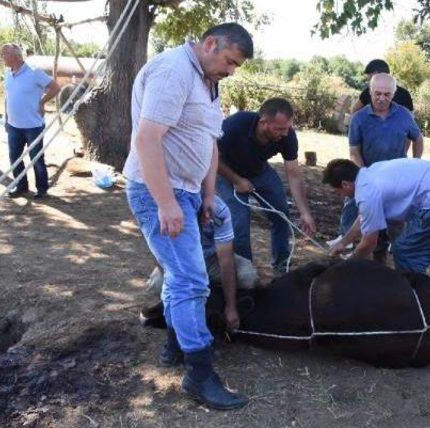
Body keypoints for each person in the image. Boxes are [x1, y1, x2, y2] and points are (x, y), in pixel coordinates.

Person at [123, 23, 253, 410]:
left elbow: (210, 144)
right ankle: (199, 373)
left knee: (179, 273)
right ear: (210, 44)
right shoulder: (173, 71)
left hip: (190, 192)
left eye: (236, 67)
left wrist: (208, 195)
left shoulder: (208, 82)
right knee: (191, 279)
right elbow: (146, 140)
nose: (231, 71)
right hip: (159, 190)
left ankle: (174, 346)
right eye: (229, 61)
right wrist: (166, 203)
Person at [325, 158, 430, 308]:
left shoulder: (366, 192)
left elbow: (369, 244)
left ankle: (417, 312)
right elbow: (364, 217)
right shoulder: (372, 172)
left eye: (337, 192)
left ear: (345, 184)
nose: (340, 196)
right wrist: (343, 242)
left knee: (406, 252)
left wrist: (347, 264)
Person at [216, 97, 316, 273]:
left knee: (281, 214)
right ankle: (245, 271)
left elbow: (293, 173)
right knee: (239, 221)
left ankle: (281, 266)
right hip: (226, 173)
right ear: (263, 122)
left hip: (259, 171)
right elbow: (212, 157)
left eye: (287, 128)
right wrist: (237, 180)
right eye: (279, 129)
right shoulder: (234, 126)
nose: (284, 134)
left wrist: (305, 212)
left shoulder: (288, 135)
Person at [334, 73, 423, 263]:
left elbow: (418, 138)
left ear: (394, 93)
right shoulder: (359, 118)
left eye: (387, 94)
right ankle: (347, 246)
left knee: (394, 224)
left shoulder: (404, 115)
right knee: (360, 215)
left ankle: (390, 262)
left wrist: (416, 162)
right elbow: (354, 150)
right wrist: (364, 175)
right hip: (368, 177)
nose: (382, 98)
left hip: (397, 181)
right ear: (370, 91)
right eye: (377, 93)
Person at [141, 194, 259, 336]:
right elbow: (159, 255)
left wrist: (231, 307)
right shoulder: (163, 209)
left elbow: (226, 260)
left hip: (212, 258)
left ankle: (222, 301)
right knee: (157, 283)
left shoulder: (218, 209)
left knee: (248, 276)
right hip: (181, 262)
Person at [1, 43, 60, 199]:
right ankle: (21, 187)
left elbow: (55, 87)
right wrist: (7, 118)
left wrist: (42, 102)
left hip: (33, 126)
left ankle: (42, 189)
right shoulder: (8, 74)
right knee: (15, 157)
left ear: (16, 56)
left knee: (36, 158)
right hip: (14, 126)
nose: (2, 57)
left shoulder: (34, 72)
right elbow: (8, 96)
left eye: (4, 54)